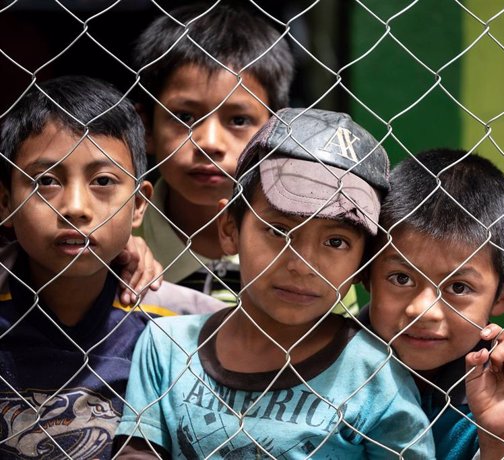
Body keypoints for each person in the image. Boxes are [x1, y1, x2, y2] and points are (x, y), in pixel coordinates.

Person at [114, 108, 435, 458]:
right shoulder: (167, 348)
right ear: (230, 230)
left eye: (336, 241)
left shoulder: (376, 378)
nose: (302, 264)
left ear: (364, 263)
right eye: (279, 230)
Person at [0, 76, 225, 459]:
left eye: (103, 181)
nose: (74, 207)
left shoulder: (182, 328)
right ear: (5, 203)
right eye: (45, 182)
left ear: (139, 206)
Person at [364, 149, 504, 459]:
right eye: (400, 278)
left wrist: (496, 439)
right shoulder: (330, 358)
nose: (423, 311)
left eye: (458, 287)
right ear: (365, 271)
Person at [131, 3, 294, 305]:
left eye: (238, 120)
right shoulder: (115, 242)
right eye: (184, 117)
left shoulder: (304, 246)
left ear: (275, 133)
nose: (209, 142)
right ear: (146, 129)